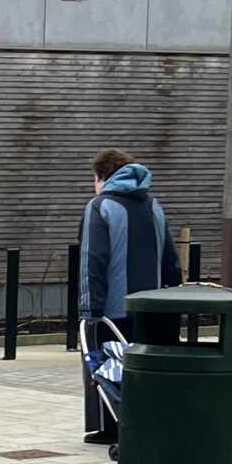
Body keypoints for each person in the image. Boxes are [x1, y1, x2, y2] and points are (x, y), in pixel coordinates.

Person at [77, 148, 181, 445]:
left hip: (112, 306)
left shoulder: (100, 206)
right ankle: (147, 424)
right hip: (153, 306)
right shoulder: (153, 205)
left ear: (101, 177)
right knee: (143, 367)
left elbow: (92, 259)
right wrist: (172, 291)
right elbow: (170, 257)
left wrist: (90, 308)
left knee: (106, 364)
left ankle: (112, 427)